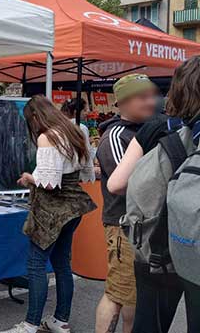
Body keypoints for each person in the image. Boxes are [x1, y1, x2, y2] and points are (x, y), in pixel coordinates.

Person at [108, 58, 200, 333]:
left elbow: (116, 183)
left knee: (148, 323)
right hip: (193, 244)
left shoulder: (160, 126)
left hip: (157, 244)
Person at [0, 96, 96, 333]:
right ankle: (60, 320)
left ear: (34, 117)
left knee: (36, 264)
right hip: (74, 207)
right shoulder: (74, 131)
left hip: (52, 210)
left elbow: (50, 183)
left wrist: (28, 177)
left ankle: (31, 324)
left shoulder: (47, 136)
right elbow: (86, 170)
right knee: (62, 263)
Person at [95, 74, 158, 333]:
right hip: (123, 227)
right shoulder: (115, 135)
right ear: (123, 102)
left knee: (133, 297)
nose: (151, 102)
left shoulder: (146, 130)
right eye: (142, 97)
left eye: (151, 95)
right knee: (118, 294)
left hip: (144, 226)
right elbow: (129, 183)